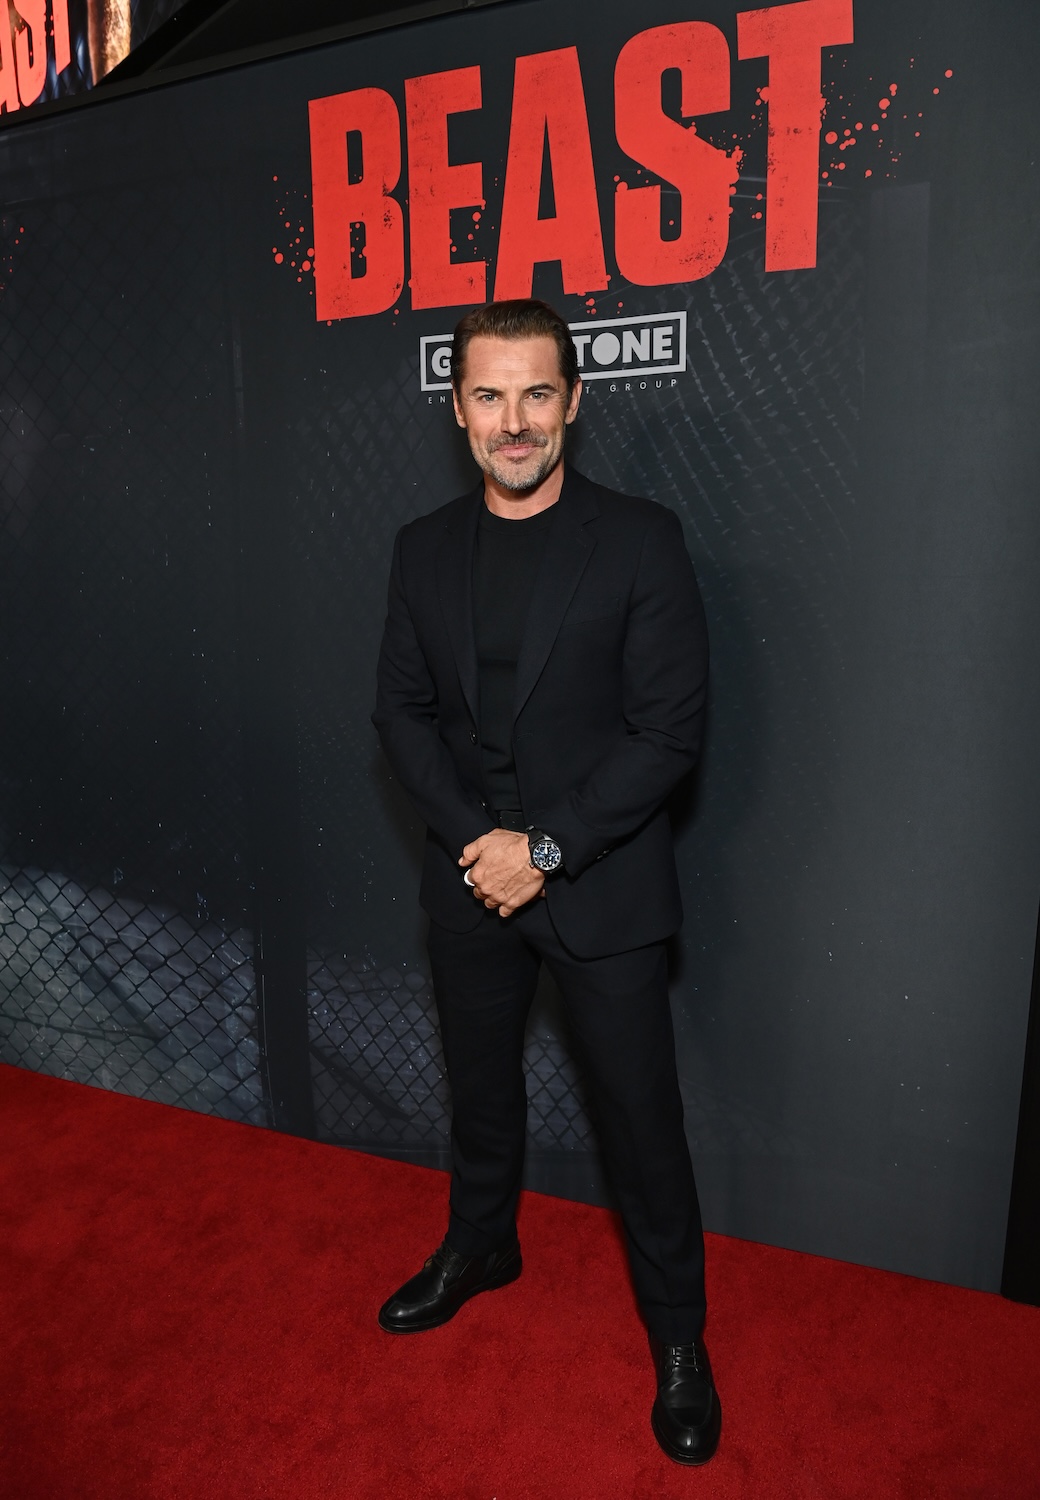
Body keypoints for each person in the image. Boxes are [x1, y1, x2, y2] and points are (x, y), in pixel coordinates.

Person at [371, 298, 718, 1466]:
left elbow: (668, 733)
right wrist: (484, 845)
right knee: (479, 1090)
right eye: (486, 395)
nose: (511, 422)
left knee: (640, 1125)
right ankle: (482, 1243)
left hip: (600, 887)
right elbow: (401, 716)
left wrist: (547, 851)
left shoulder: (640, 539)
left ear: (572, 401)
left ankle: (677, 1337)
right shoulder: (421, 549)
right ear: (455, 407)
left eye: (534, 395)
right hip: (471, 877)